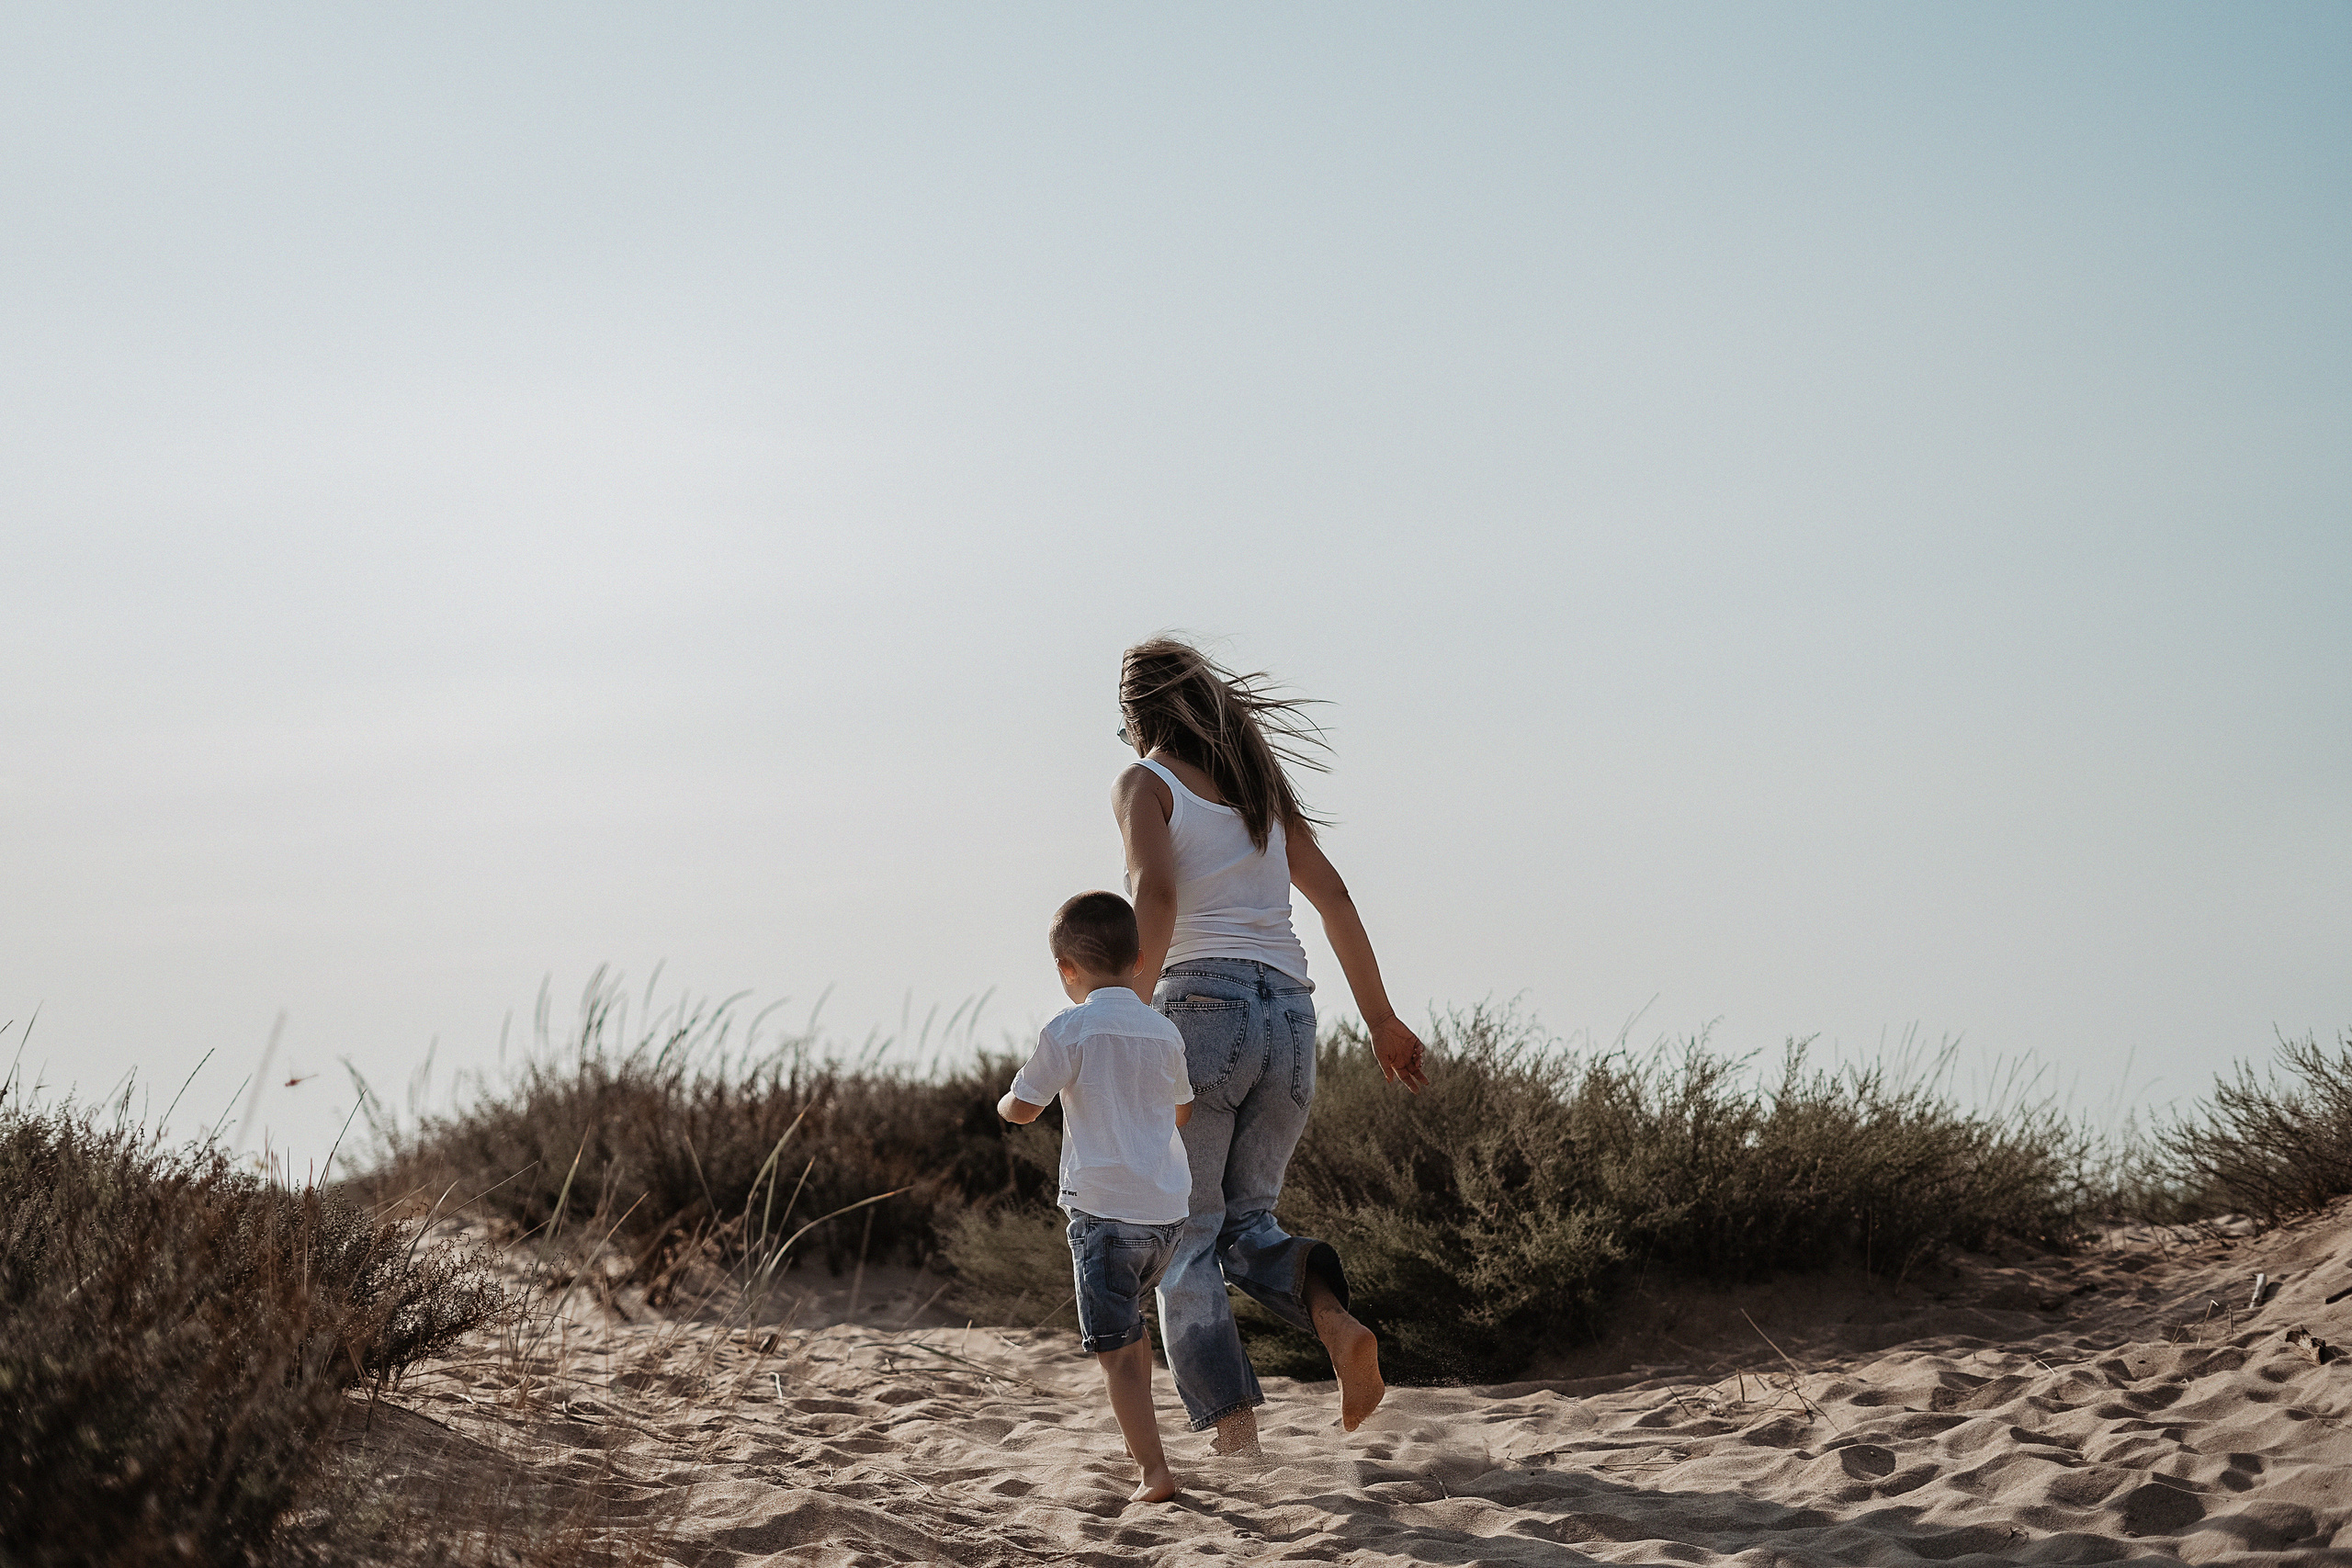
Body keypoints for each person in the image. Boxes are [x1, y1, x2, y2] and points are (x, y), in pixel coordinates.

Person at [1113, 637, 1431, 1457]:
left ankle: (1235, 1436)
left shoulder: (1145, 783)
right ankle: (1335, 1322)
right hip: (1290, 1014)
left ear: (1137, 715)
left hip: (1200, 1006)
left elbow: (1154, 891)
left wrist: (1130, 1009)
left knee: (1187, 1233)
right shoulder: (1260, 792)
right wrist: (1384, 1021)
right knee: (1248, 1220)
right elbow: (1334, 897)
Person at [998, 890, 1196, 1504]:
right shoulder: (1163, 1031)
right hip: (1165, 1216)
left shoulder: (1069, 1029)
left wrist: (1006, 1102)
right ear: (1139, 959)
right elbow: (1183, 1109)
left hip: (1106, 1217)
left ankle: (1153, 1469)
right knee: (1133, 1335)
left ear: (1066, 968)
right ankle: (1150, 1449)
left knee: (1115, 1353)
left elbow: (1025, 1108)